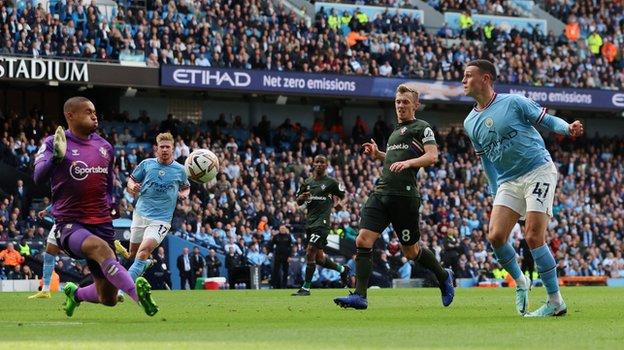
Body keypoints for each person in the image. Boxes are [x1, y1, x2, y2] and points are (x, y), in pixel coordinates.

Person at [462, 59, 583, 317]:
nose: (463, 80)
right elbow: (485, 160)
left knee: (533, 236)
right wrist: (495, 192)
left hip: (537, 169)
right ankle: (521, 281)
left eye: (468, 75)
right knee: (495, 236)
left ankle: (555, 302)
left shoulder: (514, 102)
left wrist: (568, 128)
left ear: (486, 78)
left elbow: (548, 121)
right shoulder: (469, 122)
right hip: (507, 180)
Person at [33, 96, 158, 317]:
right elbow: (37, 177)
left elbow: (108, 182)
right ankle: (139, 298)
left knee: (107, 297)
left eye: (95, 111)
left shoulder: (105, 146)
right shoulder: (55, 142)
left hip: (102, 222)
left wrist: (111, 204)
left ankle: (76, 295)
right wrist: (55, 159)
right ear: (70, 115)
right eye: (88, 111)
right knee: (101, 249)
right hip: (71, 224)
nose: (94, 115)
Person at [334, 84, 454, 310]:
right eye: (398, 102)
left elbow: (432, 157)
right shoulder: (394, 133)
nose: (401, 106)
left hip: (404, 197)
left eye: (406, 102)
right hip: (381, 194)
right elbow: (393, 161)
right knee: (362, 240)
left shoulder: (422, 128)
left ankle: (443, 276)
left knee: (411, 252)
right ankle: (360, 295)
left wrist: (409, 162)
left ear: (416, 105)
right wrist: (379, 154)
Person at [114, 132, 189, 298]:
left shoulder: (180, 170)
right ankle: (144, 263)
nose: (164, 150)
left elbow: (186, 186)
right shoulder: (146, 164)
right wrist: (132, 186)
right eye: (161, 147)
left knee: (143, 251)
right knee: (133, 255)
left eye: (167, 147)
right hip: (140, 214)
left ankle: (122, 290)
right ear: (157, 148)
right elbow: (131, 180)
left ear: (173, 149)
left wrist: (184, 194)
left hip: (161, 220)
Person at [292, 155, 350, 296]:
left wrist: (338, 206)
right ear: (313, 164)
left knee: (310, 251)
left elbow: (345, 196)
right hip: (310, 223)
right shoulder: (307, 182)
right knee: (319, 258)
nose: (319, 164)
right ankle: (343, 270)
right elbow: (298, 201)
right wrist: (302, 198)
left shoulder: (331, 182)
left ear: (326, 165)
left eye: (321, 162)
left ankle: (306, 288)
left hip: (322, 224)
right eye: (316, 162)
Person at [28, 205, 60, 299]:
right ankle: (45, 290)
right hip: (59, 222)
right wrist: (46, 210)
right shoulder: (62, 191)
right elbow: (57, 199)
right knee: (49, 255)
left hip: (73, 220)